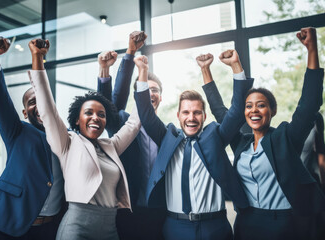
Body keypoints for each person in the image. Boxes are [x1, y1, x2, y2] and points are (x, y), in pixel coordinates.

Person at [202, 27, 325, 240]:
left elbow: (309, 103)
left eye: (261, 105)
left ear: (272, 111)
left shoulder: (285, 138)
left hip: (283, 225)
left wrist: (312, 48)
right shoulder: (241, 143)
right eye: (249, 106)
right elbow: (220, 112)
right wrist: (206, 70)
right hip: (246, 222)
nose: (254, 110)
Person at [27, 38, 142, 240]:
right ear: (77, 120)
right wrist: (38, 58)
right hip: (77, 228)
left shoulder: (111, 146)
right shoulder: (67, 143)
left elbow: (133, 124)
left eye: (102, 114)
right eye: (88, 112)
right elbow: (47, 107)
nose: (96, 117)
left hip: (109, 228)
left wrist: (143, 77)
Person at [133, 50, 254, 240]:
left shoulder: (216, 136)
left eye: (197, 113)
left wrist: (236, 66)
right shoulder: (167, 137)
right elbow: (146, 115)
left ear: (204, 117)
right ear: (178, 116)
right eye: (186, 112)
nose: (191, 118)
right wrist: (142, 71)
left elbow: (238, 111)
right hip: (175, 226)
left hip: (215, 226)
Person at [0, 36, 65, 240]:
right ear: (24, 112)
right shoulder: (18, 131)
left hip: (49, 230)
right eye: (33, 102)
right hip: (7, 225)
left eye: (44, 101)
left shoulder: (67, 138)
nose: (40, 105)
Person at [97, 31, 166, 240]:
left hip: (160, 213)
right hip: (127, 211)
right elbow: (110, 103)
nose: (150, 93)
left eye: (155, 90)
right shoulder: (122, 122)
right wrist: (129, 53)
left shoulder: (167, 131)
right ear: (138, 95)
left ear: (161, 98)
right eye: (145, 89)